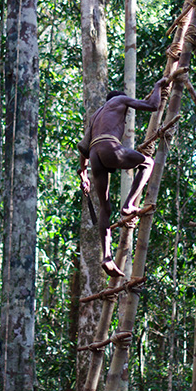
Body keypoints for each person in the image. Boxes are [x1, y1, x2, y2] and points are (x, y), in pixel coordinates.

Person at [77, 78, 170, 277]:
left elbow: (83, 147)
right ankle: (128, 204)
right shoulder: (120, 101)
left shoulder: (95, 116)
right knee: (148, 163)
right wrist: (157, 86)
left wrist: (83, 174)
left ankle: (107, 257)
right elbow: (153, 105)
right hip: (109, 147)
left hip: (94, 154)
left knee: (105, 208)